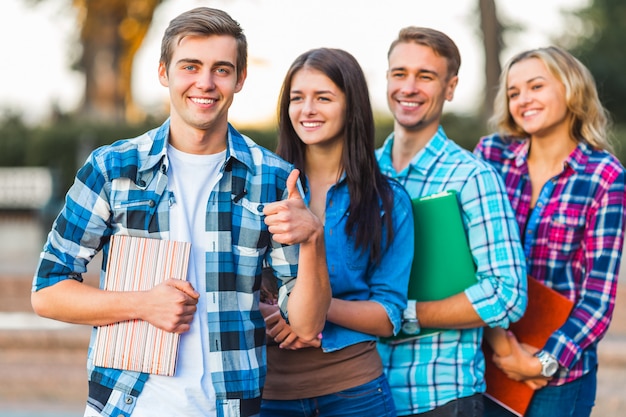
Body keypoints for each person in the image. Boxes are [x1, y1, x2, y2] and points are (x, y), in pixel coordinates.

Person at [30, 7, 331, 417]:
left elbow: (307, 324)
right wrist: (141, 304)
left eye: (221, 70)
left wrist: (313, 238)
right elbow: (47, 292)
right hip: (126, 406)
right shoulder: (112, 168)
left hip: (230, 408)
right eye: (191, 66)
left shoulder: (275, 180)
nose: (205, 83)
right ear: (163, 73)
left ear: (240, 79)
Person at [375, 26, 528, 416]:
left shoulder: (472, 177)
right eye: (399, 73)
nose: (408, 87)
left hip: (441, 395)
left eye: (425, 76)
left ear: (450, 87)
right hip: (363, 393)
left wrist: (404, 314)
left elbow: (507, 294)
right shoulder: (362, 174)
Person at [258, 48, 414, 417]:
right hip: (268, 394)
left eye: (323, 98)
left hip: (355, 394)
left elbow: (388, 314)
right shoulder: (260, 185)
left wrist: (307, 311)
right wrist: (268, 311)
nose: (307, 109)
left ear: (351, 106)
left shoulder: (389, 201)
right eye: (298, 98)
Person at [474, 46, 626, 417]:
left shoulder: (604, 176)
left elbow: (598, 297)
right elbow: (466, 252)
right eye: (513, 92)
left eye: (536, 86)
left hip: (557, 379)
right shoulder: (490, 155)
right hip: (484, 355)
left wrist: (543, 362)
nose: (523, 99)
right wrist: (503, 346)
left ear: (570, 89)